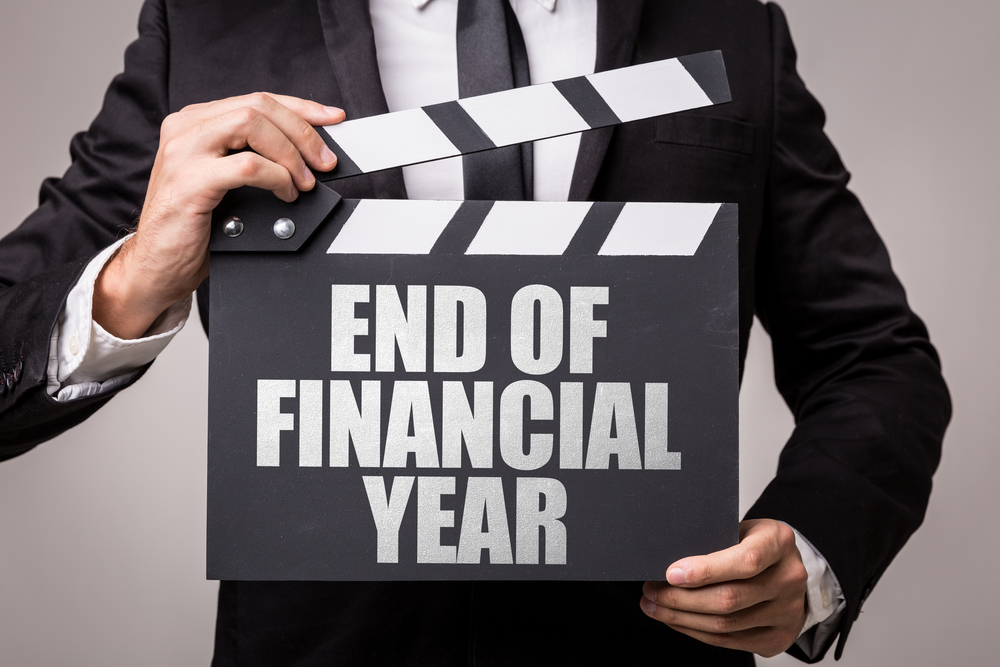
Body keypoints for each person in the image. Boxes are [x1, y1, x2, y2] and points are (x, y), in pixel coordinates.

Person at [0, 0, 950, 664]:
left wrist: (809, 551)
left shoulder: (727, 27)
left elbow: (876, 356)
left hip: (647, 645)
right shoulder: (213, 25)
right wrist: (130, 280)